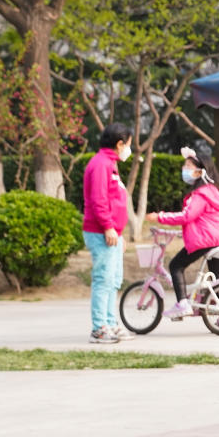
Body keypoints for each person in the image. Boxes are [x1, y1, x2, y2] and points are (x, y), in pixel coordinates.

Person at [144, 147, 219, 320]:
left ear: (199, 171)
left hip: (207, 239)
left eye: (188, 166)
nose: (184, 170)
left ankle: (183, 304)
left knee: (175, 266)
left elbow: (187, 216)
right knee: (217, 278)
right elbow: (202, 220)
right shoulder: (213, 191)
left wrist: (160, 216)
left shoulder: (200, 194)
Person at [82, 122, 133, 344]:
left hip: (112, 233)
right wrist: (109, 227)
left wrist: (118, 232)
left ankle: (111, 324)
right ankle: (99, 328)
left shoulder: (109, 164)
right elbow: (99, 199)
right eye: (128, 145)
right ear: (119, 143)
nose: (128, 150)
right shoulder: (101, 164)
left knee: (113, 280)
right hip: (102, 231)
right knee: (104, 279)